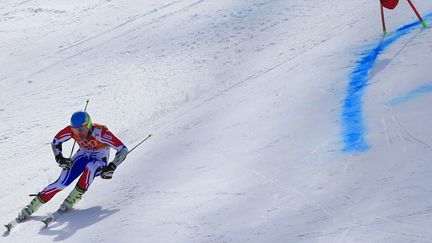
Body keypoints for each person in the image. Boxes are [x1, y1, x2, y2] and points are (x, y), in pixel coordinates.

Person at [16, 111, 128, 221]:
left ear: (88, 125)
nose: (79, 133)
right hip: (83, 155)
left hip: (99, 160)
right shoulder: (70, 131)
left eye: (81, 129)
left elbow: (123, 149)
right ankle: (33, 205)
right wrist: (59, 158)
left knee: (91, 167)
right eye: (75, 130)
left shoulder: (100, 132)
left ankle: (74, 196)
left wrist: (112, 166)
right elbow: (55, 142)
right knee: (62, 181)